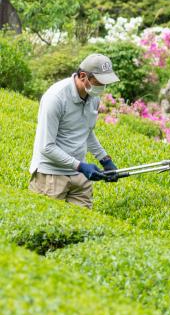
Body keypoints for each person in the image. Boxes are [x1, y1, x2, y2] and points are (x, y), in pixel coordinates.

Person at [29, 53, 120, 209]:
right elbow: (46, 147)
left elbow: (86, 131)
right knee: (48, 229)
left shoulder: (93, 98)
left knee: (83, 228)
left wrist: (105, 160)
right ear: (83, 76)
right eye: (99, 82)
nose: (103, 87)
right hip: (51, 176)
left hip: (80, 177)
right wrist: (80, 166)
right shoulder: (55, 98)